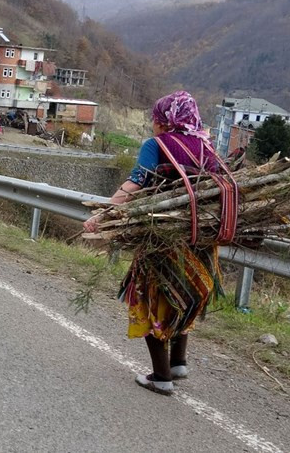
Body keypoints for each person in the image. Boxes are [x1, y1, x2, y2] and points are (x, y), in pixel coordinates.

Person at [83, 90, 231, 396]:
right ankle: (178, 362)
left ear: (164, 121)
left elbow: (137, 181)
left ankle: (161, 376)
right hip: (199, 241)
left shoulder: (157, 145)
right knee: (185, 294)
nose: (153, 124)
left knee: (151, 299)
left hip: (162, 237)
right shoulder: (207, 146)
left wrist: (104, 215)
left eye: (155, 118)